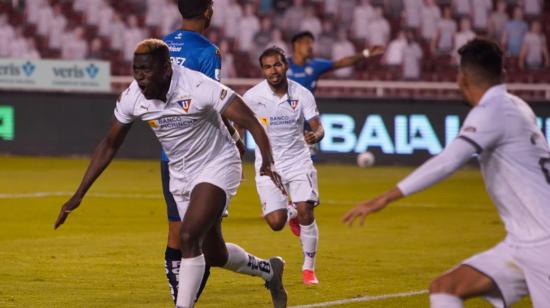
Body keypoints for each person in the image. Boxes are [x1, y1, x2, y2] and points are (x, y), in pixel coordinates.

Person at [54, 39, 288, 308]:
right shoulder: (133, 97)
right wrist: (78, 194)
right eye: (136, 70)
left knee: (188, 237)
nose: (140, 78)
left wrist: (267, 162)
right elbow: (109, 144)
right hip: (181, 174)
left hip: (218, 162)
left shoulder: (197, 85)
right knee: (214, 253)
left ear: (166, 69)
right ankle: (269, 270)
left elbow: (251, 120)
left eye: (146, 70)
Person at [343, 38, 550, 307]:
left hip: (543, 246)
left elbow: (448, 160)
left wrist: (385, 197)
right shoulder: (517, 105)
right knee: (444, 288)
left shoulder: (492, 110)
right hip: (523, 242)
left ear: (462, 77)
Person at [162, 0, 246, 303]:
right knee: (200, 242)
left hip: (170, 155)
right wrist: (236, 137)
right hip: (205, 155)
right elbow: (215, 101)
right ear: (208, 12)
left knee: (183, 235)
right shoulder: (208, 52)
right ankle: (183, 300)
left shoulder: (160, 46)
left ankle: (182, 298)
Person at [240, 46, 325, 285]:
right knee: (276, 223)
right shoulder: (253, 97)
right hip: (268, 165)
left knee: (307, 210)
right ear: (263, 70)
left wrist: (316, 135)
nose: (273, 71)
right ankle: (291, 212)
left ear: (285, 65)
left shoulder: (302, 94)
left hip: (299, 160)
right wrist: (237, 153)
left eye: (277, 65)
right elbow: (238, 124)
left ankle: (309, 268)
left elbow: (318, 126)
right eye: (267, 67)